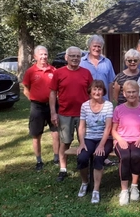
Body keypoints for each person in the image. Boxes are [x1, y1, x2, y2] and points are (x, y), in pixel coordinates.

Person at [50, 46, 93, 182]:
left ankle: (86, 167)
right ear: (66, 57)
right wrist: (53, 113)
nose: (75, 58)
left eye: (78, 56)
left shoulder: (86, 73)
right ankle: (63, 169)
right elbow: (52, 93)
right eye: (72, 56)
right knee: (65, 142)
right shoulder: (58, 73)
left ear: (81, 58)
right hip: (65, 113)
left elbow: (92, 92)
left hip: (83, 114)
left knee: (85, 142)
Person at [112, 80, 140, 206]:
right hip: (122, 139)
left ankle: (134, 186)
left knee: (135, 156)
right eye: (129, 92)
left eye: (134, 92)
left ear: (138, 93)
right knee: (125, 157)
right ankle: (124, 190)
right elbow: (113, 130)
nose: (132, 94)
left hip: (138, 139)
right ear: (124, 93)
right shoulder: (119, 109)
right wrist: (120, 140)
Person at [76, 80, 113, 203]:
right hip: (89, 138)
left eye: (100, 89)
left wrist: (101, 145)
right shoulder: (85, 106)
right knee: (82, 157)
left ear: (103, 91)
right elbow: (81, 126)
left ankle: (96, 190)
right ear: (90, 91)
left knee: (99, 156)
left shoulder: (108, 105)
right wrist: (81, 142)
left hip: (105, 138)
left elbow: (108, 127)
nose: (97, 92)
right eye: (95, 89)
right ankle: (85, 182)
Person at [22, 45, 59, 170]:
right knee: (36, 134)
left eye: (45, 54)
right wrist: (34, 99)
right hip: (37, 107)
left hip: (53, 106)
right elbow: (26, 90)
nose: (43, 57)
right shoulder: (30, 72)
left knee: (55, 133)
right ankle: (39, 161)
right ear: (35, 57)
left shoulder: (53, 70)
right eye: (41, 54)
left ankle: (56, 158)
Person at [80, 34, 116, 101]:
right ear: (89, 46)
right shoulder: (81, 62)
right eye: (94, 46)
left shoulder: (107, 62)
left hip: (104, 101)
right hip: (86, 101)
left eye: (99, 46)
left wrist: (110, 101)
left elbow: (110, 83)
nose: (96, 49)